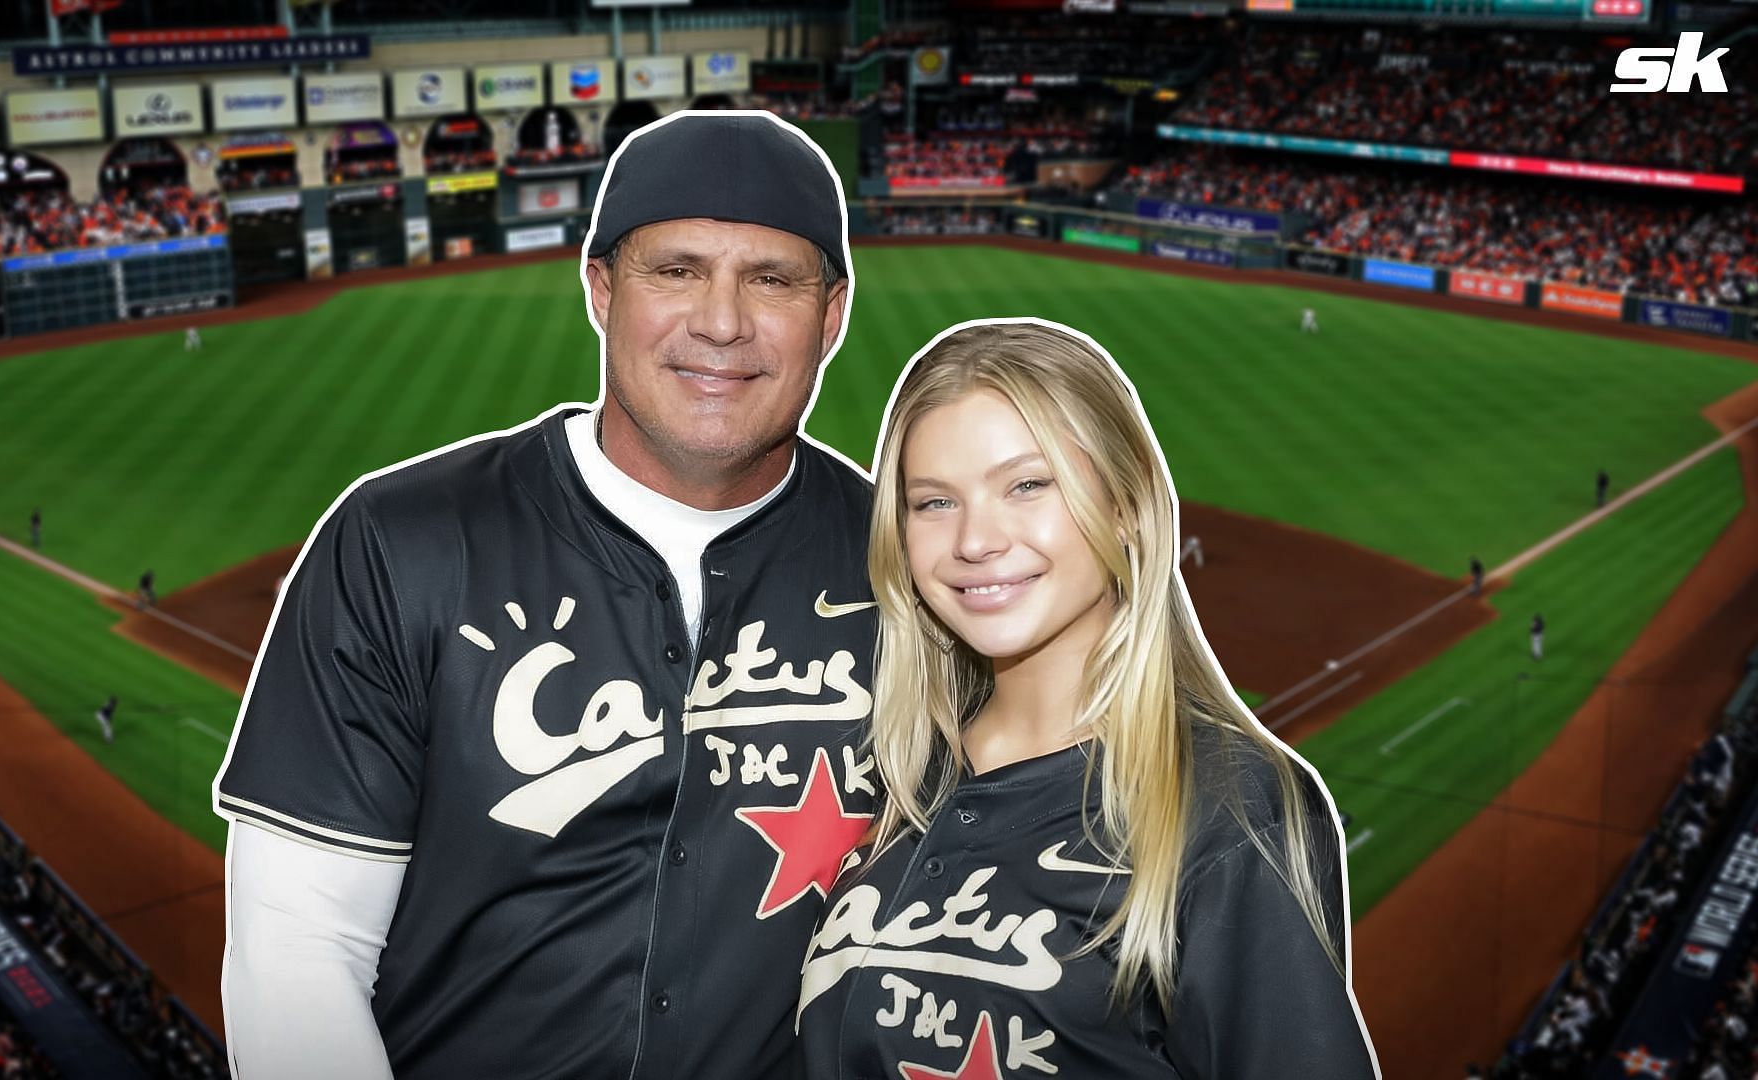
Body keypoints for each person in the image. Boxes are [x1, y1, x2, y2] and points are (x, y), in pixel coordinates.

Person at [215, 111, 875, 1079]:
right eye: (677, 270)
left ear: (833, 314)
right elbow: (298, 948)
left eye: (771, 279)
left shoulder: (908, 563)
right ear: (600, 288)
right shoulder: (403, 542)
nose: (722, 322)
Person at [797, 320, 1377, 1078]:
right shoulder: (895, 775)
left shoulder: (1223, 805)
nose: (975, 540)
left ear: (1127, 506)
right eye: (934, 503)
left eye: (1027, 485)